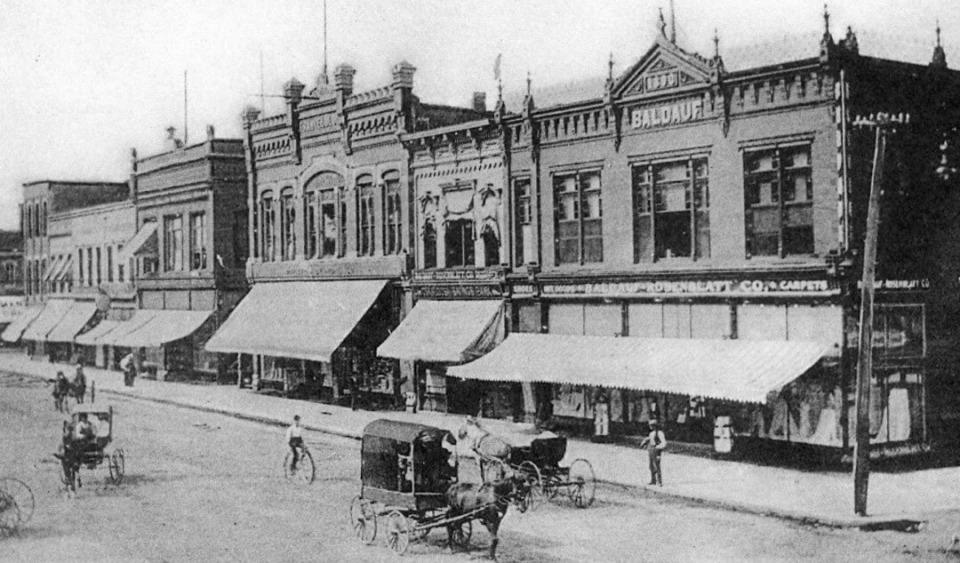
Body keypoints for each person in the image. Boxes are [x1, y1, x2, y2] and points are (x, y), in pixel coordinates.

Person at [639, 419, 666, 486]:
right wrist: (644, 442)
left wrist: (657, 447)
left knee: (657, 466)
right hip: (651, 449)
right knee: (651, 466)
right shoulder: (651, 433)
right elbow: (650, 438)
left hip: (656, 450)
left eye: (652, 425)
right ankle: (653, 480)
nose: (650, 427)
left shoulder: (659, 433)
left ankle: (659, 481)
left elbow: (664, 443)